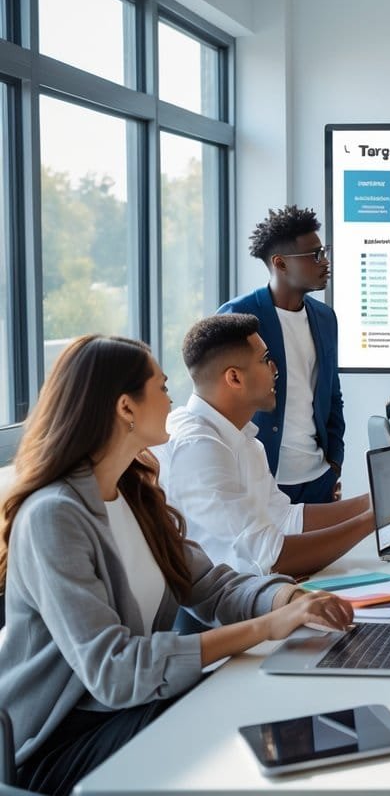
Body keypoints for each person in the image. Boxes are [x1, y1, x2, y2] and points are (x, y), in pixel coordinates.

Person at [0, 335, 353, 796]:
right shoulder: (55, 517)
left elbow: (212, 586)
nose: (172, 400)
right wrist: (267, 626)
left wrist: (290, 598)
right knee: (236, 723)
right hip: (60, 741)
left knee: (257, 703)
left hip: (128, 708)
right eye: (162, 387)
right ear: (126, 408)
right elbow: (115, 669)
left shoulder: (134, 492)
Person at [155, 314, 383, 580]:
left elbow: (284, 519)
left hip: (254, 595)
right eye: (265, 360)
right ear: (234, 378)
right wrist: (371, 521)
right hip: (217, 614)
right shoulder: (198, 447)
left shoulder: (244, 439)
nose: (275, 369)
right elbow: (272, 558)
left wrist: (375, 501)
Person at [219, 205, 344, 504]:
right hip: (263, 478)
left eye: (324, 251)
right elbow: (219, 402)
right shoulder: (238, 315)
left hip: (318, 479)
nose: (325, 261)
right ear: (281, 264)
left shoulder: (326, 318)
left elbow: (333, 395)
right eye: (314, 255)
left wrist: (334, 463)